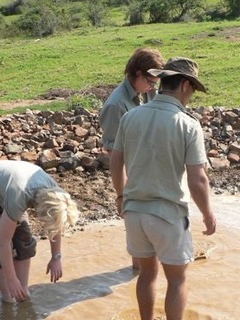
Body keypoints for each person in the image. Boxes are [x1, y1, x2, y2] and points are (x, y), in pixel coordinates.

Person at [110, 57, 217, 320]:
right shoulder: (188, 125)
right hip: (167, 215)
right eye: (192, 89)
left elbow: (115, 160)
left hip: (135, 212)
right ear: (183, 85)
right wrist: (207, 213)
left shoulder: (131, 117)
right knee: (178, 279)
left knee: (147, 274)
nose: (191, 96)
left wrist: (121, 195)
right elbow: (198, 179)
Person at [0, 160, 80, 303]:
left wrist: (56, 257)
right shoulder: (19, 196)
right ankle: (8, 299)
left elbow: (55, 223)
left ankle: (22, 293)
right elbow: (2, 243)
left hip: (6, 190)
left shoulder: (58, 194)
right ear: (40, 211)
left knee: (24, 243)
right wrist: (11, 278)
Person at [99, 47, 165, 270]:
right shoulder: (115, 106)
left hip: (150, 176)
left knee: (151, 242)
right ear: (137, 73)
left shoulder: (146, 91)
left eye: (156, 82)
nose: (153, 87)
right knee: (141, 249)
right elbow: (116, 158)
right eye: (150, 81)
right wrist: (122, 196)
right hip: (134, 185)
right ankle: (138, 275)